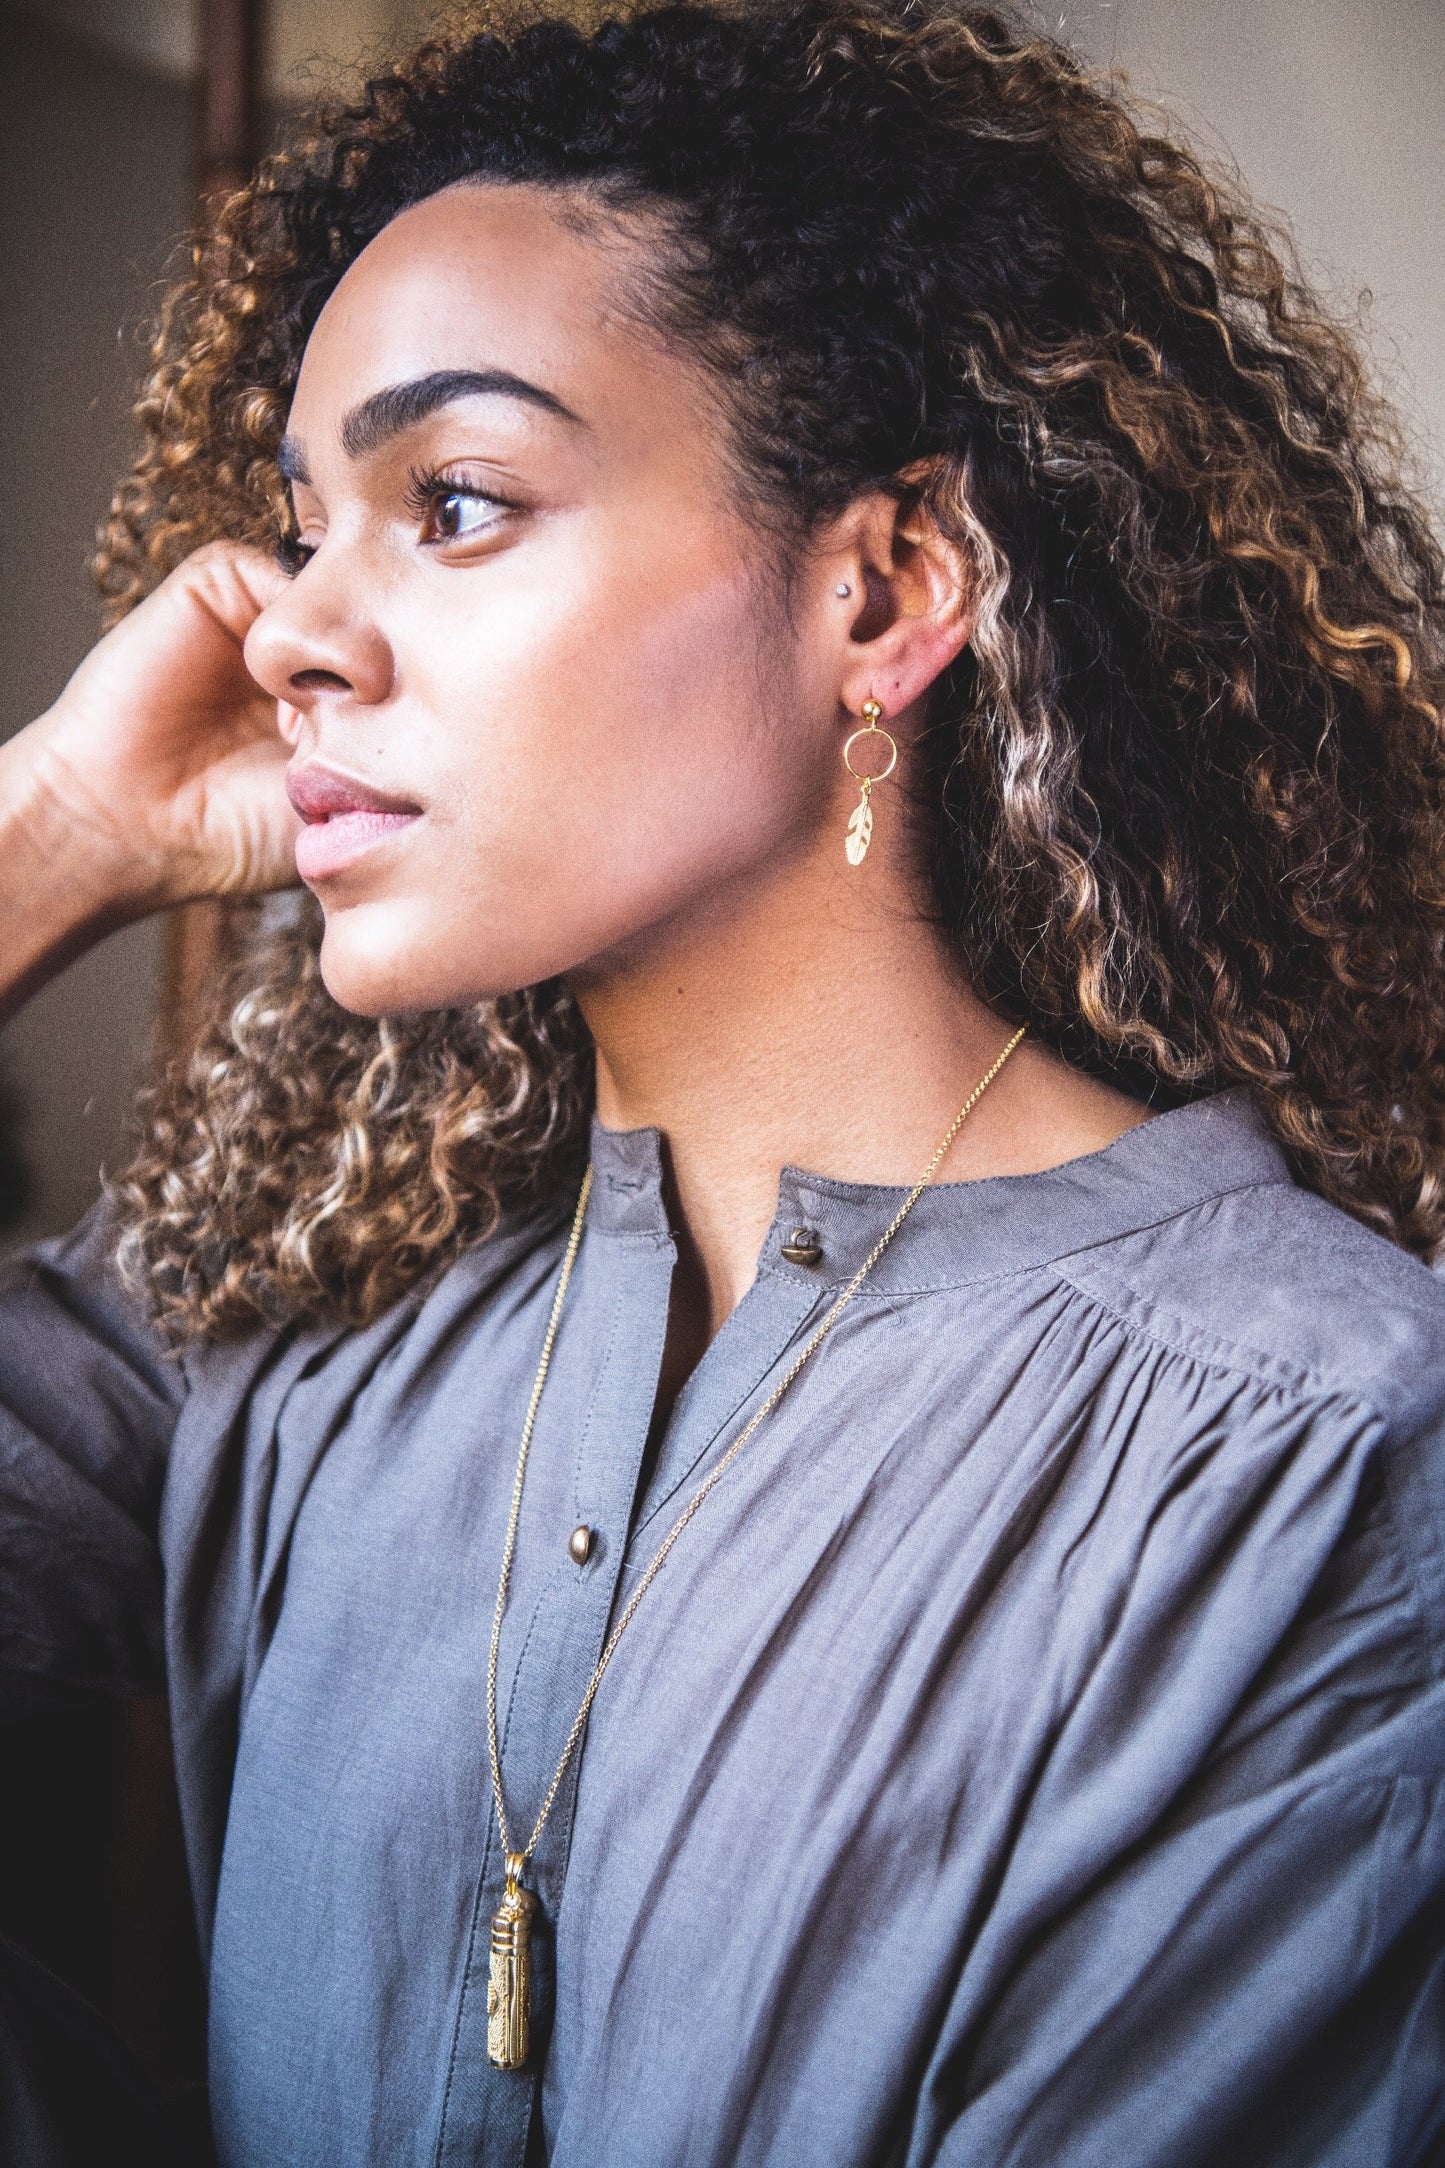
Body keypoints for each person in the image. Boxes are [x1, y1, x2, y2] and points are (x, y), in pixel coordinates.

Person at [3, 0, 1445, 2159]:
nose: (295, 628)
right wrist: (50, 833)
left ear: (884, 589)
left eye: (457, 500)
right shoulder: (273, 1340)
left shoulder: (1310, 1450)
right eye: (302, 527)